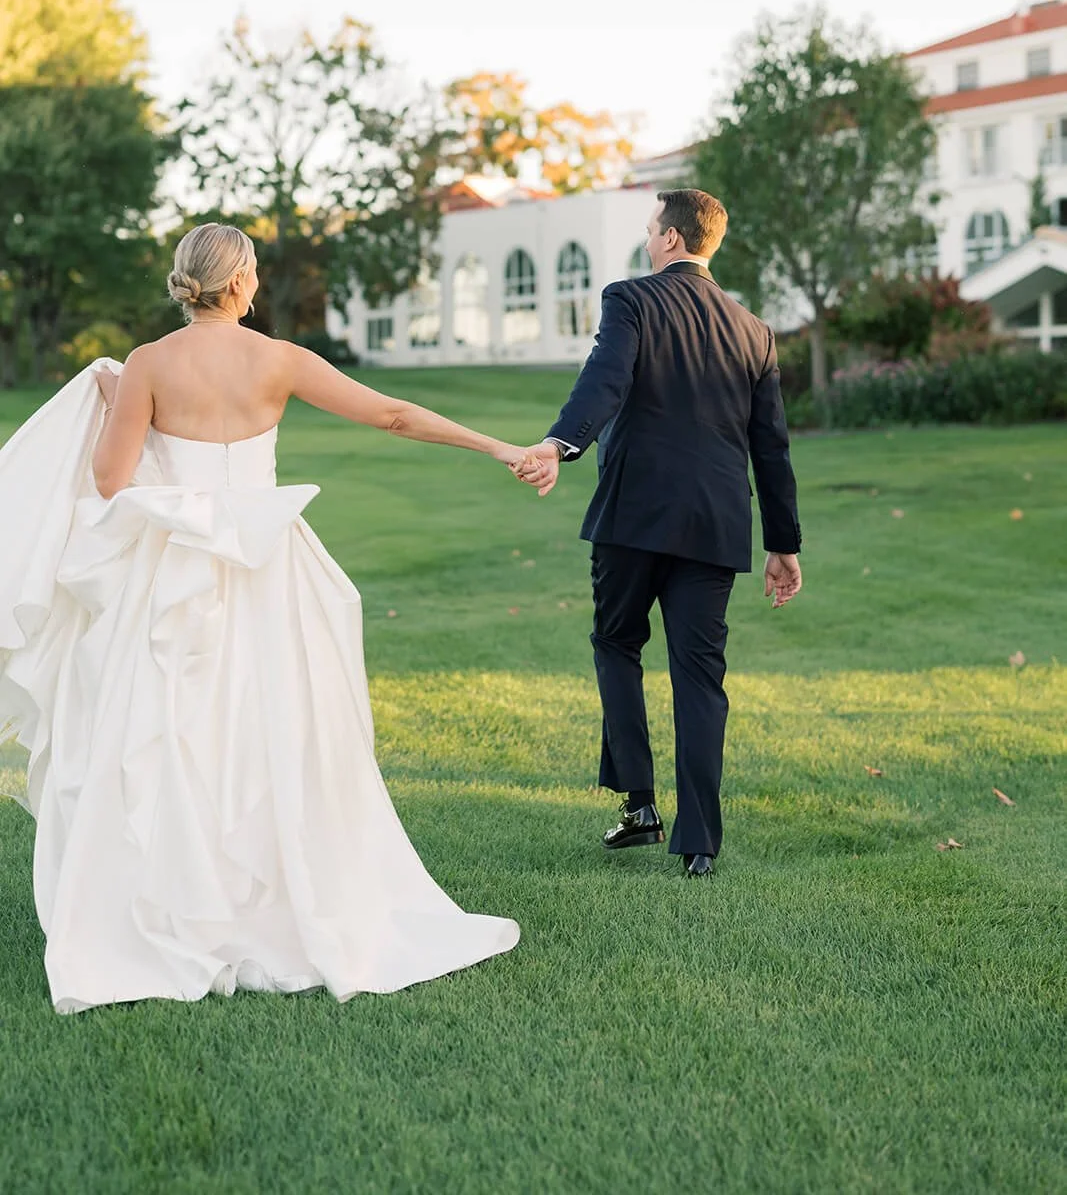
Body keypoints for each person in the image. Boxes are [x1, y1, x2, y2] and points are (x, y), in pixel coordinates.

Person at [0, 223, 538, 1013]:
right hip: (268, 567)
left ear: (186, 282)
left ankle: (166, 910)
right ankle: (282, 900)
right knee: (275, 731)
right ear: (242, 280)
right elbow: (390, 415)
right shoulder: (276, 358)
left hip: (168, 573)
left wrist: (124, 404)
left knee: (168, 735)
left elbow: (112, 480)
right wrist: (498, 448)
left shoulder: (147, 364)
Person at [516, 189, 802, 878]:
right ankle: (699, 843)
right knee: (699, 677)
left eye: (650, 231)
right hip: (716, 521)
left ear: (672, 239)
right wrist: (782, 544)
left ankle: (640, 805)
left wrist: (560, 443)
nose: (647, 242)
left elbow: (603, 382)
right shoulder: (753, 330)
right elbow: (772, 448)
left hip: (634, 513)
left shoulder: (631, 300)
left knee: (616, 643)